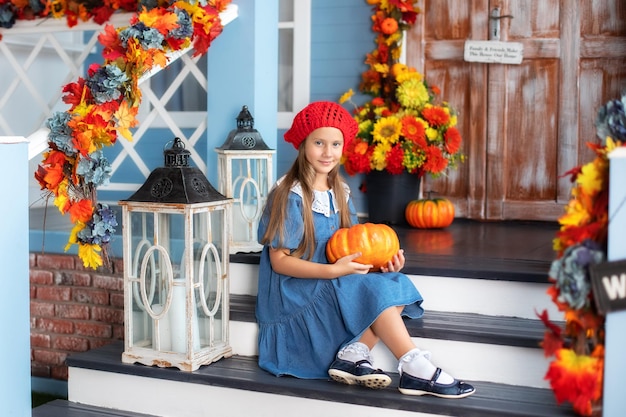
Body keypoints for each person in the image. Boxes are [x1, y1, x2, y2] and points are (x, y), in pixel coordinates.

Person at [255, 101, 475, 398]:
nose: (327, 152)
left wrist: (378, 265)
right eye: (319, 142)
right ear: (303, 144)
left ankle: (355, 352)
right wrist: (334, 271)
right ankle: (414, 365)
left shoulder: (340, 193)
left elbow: (350, 247)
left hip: (333, 278)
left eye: (335, 144)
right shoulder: (290, 194)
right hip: (298, 291)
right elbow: (279, 262)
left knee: (393, 281)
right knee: (373, 292)